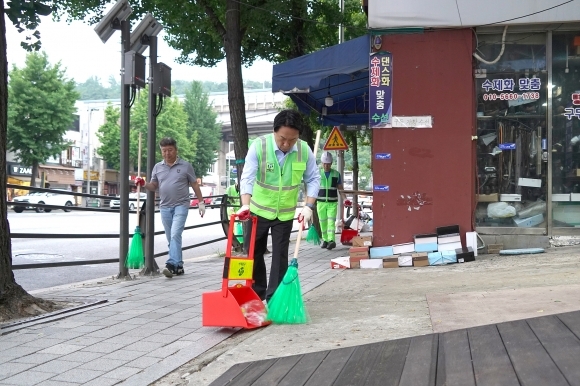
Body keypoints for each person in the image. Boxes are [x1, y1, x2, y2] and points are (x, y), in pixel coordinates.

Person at [236, 109, 320, 302]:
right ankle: (257, 295)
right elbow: (247, 177)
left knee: (280, 257)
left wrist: (309, 206)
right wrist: (245, 204)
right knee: (253, 253)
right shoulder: (259, 146)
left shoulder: (304, 150)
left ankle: (274, 299)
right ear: (274, 131)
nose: (286, 144)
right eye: (282, 138)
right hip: (257, 211)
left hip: (284, 214)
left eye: (292, 140)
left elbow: (314, 179)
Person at [135, 137, 205, 278]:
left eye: (170, 150)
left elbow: (194, 184)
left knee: (174, 234)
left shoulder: (185, 166)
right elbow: (153, 186)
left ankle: (171, 264)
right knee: (171, 237)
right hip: (165, 207)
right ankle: (179, 266)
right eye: (164, 150)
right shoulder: (157, 167)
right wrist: (143, 183)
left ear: (176, 150)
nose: (167, 153)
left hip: (181, 205)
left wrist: (201, 202)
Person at [316, 151, 344, 250]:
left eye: (328, 164)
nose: (326, 165)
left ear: (331, 163)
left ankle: (331, 241)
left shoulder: (336, 174)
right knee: (322, 222)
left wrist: (345, 199)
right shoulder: (317, 174)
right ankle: (325, 240)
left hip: (332, 203)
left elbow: (340, 188)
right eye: (324, 163)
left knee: (331, 222)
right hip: (320, 203)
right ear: (321, 163)